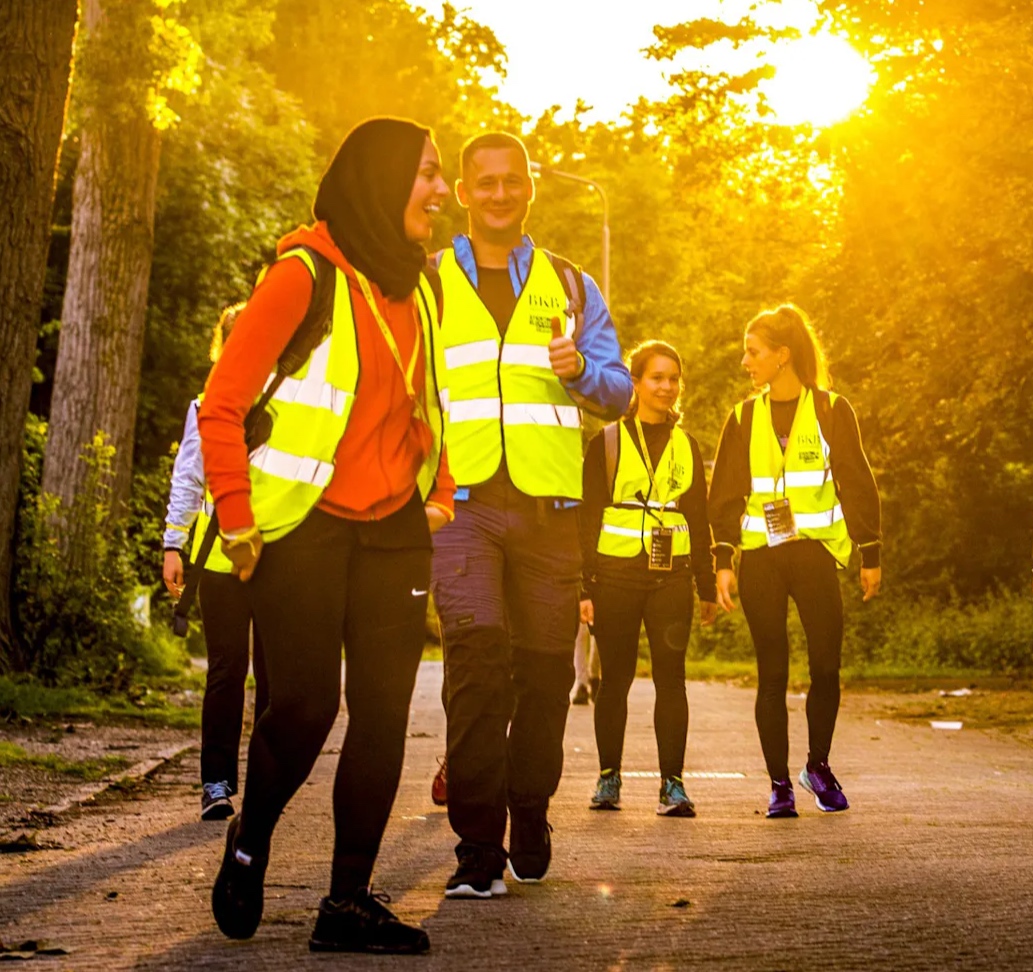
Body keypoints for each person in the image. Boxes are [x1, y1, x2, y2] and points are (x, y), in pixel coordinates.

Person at [202, 116, 453, 954]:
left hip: (394, 535)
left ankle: (346, 903)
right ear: (381, 180)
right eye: (426, 173)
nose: (441, 191)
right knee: (305, 708)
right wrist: (235, 518)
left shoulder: (418, 285)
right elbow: (222, 404)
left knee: (383, 717)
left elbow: (429, 404)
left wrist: (442, 489)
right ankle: (249, 842)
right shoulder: (302, 276)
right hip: (304, 530)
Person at [431, 132, 630, 900]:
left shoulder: (571, 286)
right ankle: (477, 847)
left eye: (512, 182)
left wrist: (582, 371)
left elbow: (617, 389)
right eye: (485, 183)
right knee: (476, 666)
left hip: (549, 513)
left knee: (546, 677)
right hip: (464, 510)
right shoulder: (427, 283)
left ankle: (530, 808)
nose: (500, 194)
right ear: (462, 189)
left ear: (530, 190)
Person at [708, 305, 882, 818]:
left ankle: (818, 767)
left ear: (782, 356)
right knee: (772, 673)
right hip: (761, 559)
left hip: (815, 554)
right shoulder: (741, 417)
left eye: (754, 351)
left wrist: (870, 552)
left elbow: (856, 482)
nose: (745, 361)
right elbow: (724, 498)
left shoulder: (831, 409)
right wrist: (722, 560)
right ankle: (779, 784)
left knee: (826, 666)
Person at [579, 341, 719, 816]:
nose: (666, 387)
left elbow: (699, 521)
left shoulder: (687, 446)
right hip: (615, 577)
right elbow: (587, 516)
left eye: (673, 378)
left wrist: (706, 586)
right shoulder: (608, 441)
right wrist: (584, 587)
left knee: (671, 681)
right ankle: (608, 778)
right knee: (613, 680)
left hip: (671, 580)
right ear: (635, 383)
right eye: (656, 377)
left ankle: (672, 785)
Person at [162, 305, 268, 822]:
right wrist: (172, 546)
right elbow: (187, 479)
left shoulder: (294, 405)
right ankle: (217, 784)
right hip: (220, 561)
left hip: (281, 560)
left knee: (278, 679)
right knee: (227, 671)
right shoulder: (205, 406)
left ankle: (270, 782)